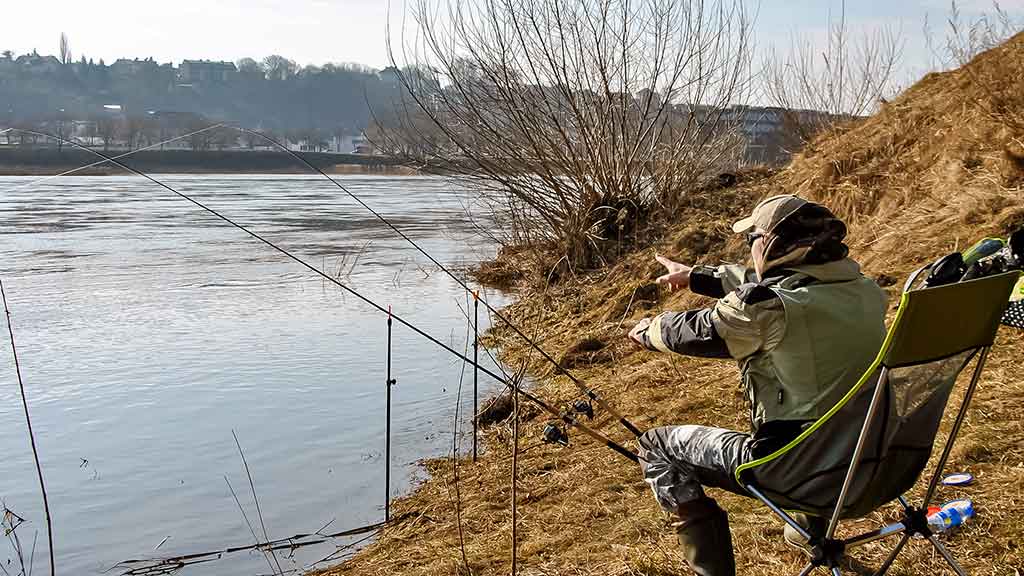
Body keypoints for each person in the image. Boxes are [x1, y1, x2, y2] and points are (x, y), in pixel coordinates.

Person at [627, 195, 888, 576]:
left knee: (656, 446)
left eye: (752, 239)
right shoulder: (864, 290)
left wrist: (648, 330)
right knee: (821, 409)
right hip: (876, 461)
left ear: (772, 244)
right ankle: (807, 532)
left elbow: (700, 330)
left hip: (799, 470)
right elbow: (778, 284)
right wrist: (696, 276)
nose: (749, 247)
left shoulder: (766, 307)